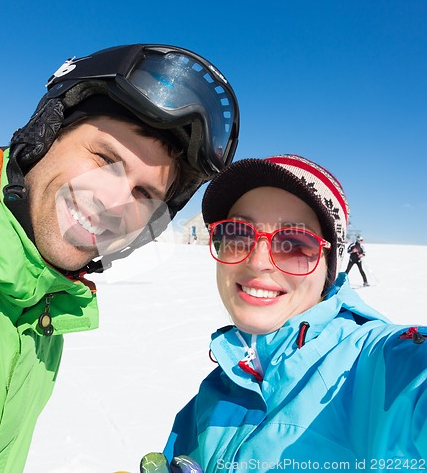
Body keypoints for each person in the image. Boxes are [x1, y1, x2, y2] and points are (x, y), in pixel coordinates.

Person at [0, 44, 240, 471]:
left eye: (144, 193)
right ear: (45, 135)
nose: (113, 201)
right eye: (105, 158)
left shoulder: (45, 310)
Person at [162, 155, 426, 469]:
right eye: (237, 233)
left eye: (295, 243)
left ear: (329, 266)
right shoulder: (219, 387)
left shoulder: (373, 362)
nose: (258, 262)